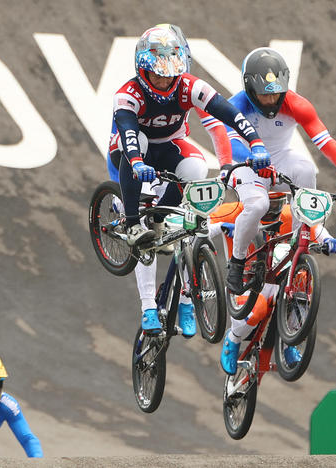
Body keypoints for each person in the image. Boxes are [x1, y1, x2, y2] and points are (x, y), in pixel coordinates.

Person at [111, 25, 269, 336]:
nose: (165, 81)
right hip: (131, 155)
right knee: (144, 233)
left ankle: (184, 295)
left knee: (195, 176)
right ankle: (146, 300)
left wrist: (255, 142)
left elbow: (228, 115)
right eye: (157, 75)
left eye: (172, 75)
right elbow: (129, 135)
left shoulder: (190, 86)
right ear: (142, 70)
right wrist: (138, 163)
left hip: (170, 148)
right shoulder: (126, 95)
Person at [222, 47, 336, 300]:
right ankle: (237, 264)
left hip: (280, 158)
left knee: (305, 168)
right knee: (258, 205)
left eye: (277, 94)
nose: (271, 101)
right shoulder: (235, 105)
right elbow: (228, 143)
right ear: (249, 89)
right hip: (248, 162)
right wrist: (252, 158)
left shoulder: (297, 104)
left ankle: (294, 242)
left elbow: (326, 144)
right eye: (263, 95)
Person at [206, 198, 336, 374]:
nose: (270, 211)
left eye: (276, 205)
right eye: (267, 205)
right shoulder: (233, 212)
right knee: (258, 309)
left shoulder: (288, 214)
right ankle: (233, 339)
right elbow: (199, 229)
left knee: (302, 280)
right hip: (245, 281)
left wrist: (328, 239)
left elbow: (314, 229)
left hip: (279, 279)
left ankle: (290, 341)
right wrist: (222, 226)